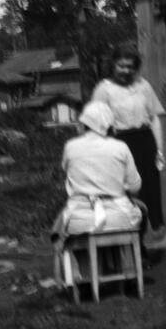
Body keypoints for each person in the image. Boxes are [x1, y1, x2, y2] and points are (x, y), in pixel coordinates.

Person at [90, 43, 166, 236]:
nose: (126, 70)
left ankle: (149, 240)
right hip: (121, 143)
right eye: (121, 66)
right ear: (113, 64)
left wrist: (159, 150)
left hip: (145, 141)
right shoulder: (104, 89)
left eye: (130, 66)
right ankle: (132, 244)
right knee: (128, 193)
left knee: (150, 191)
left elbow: (154, 118)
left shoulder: (144, 86)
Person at [52, 101, 143, 243]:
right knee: (141, 208)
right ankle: (137, 257)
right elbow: (135, 186)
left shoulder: (71, 146)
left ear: (84, 125)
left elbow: (67, 171)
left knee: (62, 218)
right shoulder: (120, 147)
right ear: (108, 126)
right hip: (119, 217)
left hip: (79, 219)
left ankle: (78, 261)